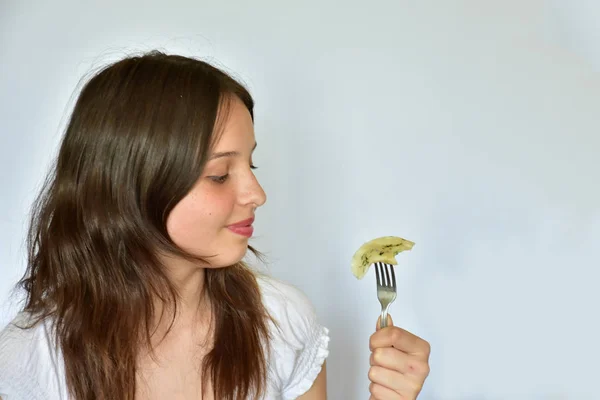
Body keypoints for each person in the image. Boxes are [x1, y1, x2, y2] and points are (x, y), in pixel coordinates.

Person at [0, 51, 430, 400]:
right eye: (220, 174)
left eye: (252, 163)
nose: (257, 193)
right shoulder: (30, 361)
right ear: (130, 187)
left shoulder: (281, 321)